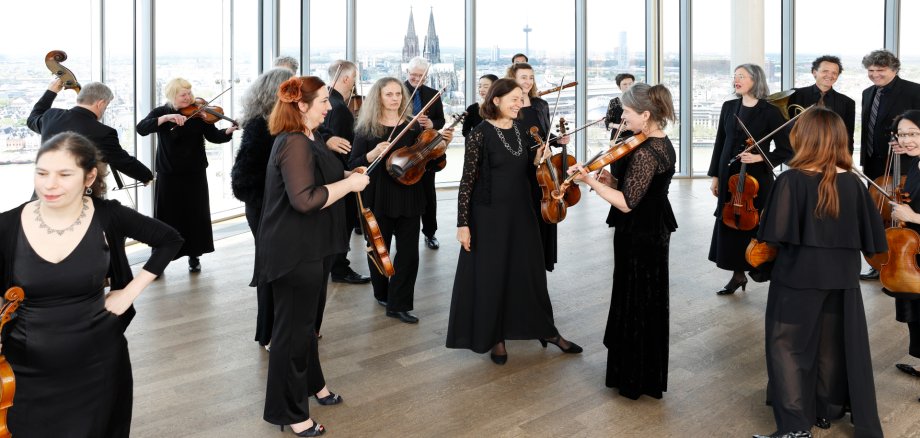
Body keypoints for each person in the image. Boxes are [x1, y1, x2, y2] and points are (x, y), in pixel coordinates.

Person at [0, 132, 183, 437]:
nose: (49, 184)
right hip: (26, 370)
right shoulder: (7, 226)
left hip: (98, 364)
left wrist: (129, 292)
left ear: (89, 176)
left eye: (64, 174)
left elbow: (170, 239)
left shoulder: (108, 216)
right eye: (42, 173)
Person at [752, 108, 886, 438]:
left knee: (787, 348)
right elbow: (873, 240)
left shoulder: (790, 181)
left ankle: (795, 427)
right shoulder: (853, 183)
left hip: (797, 279)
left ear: (803, 138)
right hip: (842, 279)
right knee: (831, 346)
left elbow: (772, 237)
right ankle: (825, 410)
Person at [253, 76, 370, 436]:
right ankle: (289, 413)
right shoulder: (293, 144)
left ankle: (313, 384)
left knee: (309, 327)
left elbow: (323, 177)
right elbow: (305, 200)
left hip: (313, 246)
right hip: (294, 251)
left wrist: (349, 173)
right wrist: (348, 186)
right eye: (322, 101)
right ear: (301, 106)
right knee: (292, 332)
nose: (330, 106)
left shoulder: (311, 137)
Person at [446, 78, 582, 365]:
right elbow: (466, 182)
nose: (520, 103)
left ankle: (547, 330)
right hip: (489, 217)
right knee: (493, 276)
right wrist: (463, 224)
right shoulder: (479, 135)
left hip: (522, 212)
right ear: (496, 100)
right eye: (515, 98)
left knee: (529, 274)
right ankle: (496, 337)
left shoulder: (521, 130)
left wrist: (536, 162)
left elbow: (523, 171)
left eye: (522, 98)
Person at [570, 83, 677, 399]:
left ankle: (633, 378)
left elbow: (629, 202)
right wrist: (609, 179)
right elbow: (634, 189)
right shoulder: (659, 142)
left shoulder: (646, 151)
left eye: (628, 112)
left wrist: (589, 179)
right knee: (644, 299)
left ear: (645, 115)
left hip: (642, 232)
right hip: (650, 226)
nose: (623, 117)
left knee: (636, 299)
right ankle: (641, 374)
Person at [349, 77, 453, 324]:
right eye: (389, 94)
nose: (395, 98)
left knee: (409, 254)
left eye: (398, 94)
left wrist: (440, 149)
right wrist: (372, 154)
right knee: (379, 249)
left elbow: (430, 165)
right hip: (378, 197)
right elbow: (353, 166)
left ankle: (400, 304)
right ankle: (382, 292)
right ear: (378, 98)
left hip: (410, 195)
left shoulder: (414, 127)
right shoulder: (366, 129)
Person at [707, 64, 793, 295]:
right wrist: (715, 176)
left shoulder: (770, 111)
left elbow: (786, 149)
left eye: (742, 76)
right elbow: (720, 144)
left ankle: (761, 269)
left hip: (757, 179)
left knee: (755, 224)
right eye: (735, 76)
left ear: (755, 80)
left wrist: (759, 158)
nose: (737, 80)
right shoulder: (729, 107)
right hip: (729, 176)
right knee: (730, 222)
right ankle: (737, 275)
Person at [136, 78, 237, 273]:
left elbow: (213, 136)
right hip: (169, 173)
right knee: (167, 216)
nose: (189, 97)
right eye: (183, 94)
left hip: (194, 172)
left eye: (190, 93)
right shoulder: (161, 112)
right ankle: (160, 258)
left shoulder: (199, 113)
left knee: (194, 215)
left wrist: (228, 131)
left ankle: (194, 255)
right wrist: (166, 119)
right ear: (173, 96)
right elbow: (142, 128)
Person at [230, 67, 294, 348]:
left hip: (280, 208)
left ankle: (285, 326)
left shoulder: (286, 123)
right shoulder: (258, 125)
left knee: (283, 269)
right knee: (270, 270)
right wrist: (274, 199)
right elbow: (241, 181)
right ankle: (268, 332)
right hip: (266, 210)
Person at [858, 49, 920, 280]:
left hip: (905, 165)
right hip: (874, 164)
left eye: (880, 71)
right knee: (879, 213)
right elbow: (868, 129)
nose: (875, 75)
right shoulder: (867, 93)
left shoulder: (914, 91)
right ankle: (880, 261)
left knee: (905, 213)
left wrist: (907, 144)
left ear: (894, 69)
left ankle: (909, 261)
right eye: (871, 71)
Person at [27, 79, 153, 185]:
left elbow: (32, 119)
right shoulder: (103, 132)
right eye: (106, 105)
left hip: (44, 190)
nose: (105, 109)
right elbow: (123, 161)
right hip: (76, 197)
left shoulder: (52, 116)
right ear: (101, 103)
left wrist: (51, 91)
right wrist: (147, 176)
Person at [507, 62, 570, 272]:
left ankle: (540, 263)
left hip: (542, 170)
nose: (528, 82)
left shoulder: (540, 104)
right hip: (519, 169)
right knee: (523, 219)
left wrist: (558, 140)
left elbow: (544, 133)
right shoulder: (509, 106)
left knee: (542, 212)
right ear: (513, 79)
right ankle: (522, 265)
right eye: (523, 77)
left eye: (531, 77)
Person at [319, 60, 372, 285]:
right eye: (355, 77)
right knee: (345, 222)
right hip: (342, 174)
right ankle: (340, 268)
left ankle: (335, 264)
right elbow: (344, 149)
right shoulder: (339, 108)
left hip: (330, 175)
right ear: (347, 78)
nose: (355, 82)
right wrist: (352, 172)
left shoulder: (328, 102)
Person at [884, 110, 920, 402]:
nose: (907, 140)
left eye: (913, 134)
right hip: (915, 253)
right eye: (903, 135)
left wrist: (914, 216)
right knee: (916, 313)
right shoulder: (917, 164)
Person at [404, 57, 446, 250]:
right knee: (404, 192)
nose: (416, 79)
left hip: (426, 151)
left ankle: (430, 233)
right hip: (404, 150)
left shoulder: (433, 94)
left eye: (421, 76)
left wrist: (432, 124)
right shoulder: (397, 91)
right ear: (407, 73)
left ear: (427, 76)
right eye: (413, 75)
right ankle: (403, 234)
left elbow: (441, 120)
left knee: (429, 194)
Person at [787, 55, 855, 154]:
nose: (830, 76)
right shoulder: (795, 95)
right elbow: (786, 127)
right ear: (814, 73)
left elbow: (848, 135)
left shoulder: (847, 102)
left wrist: (847, 159)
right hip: (800, 153)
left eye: (834, 73)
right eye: (825, 71)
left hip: (832, 155)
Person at [604, 73, 636, 140]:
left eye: (630, 84)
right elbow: (607, 122)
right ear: (619, 87)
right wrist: (618, 126)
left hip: (636, 137)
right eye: (624, 84)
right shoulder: (614, 102)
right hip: (618, 138)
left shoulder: (638, 101)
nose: (628, 86)